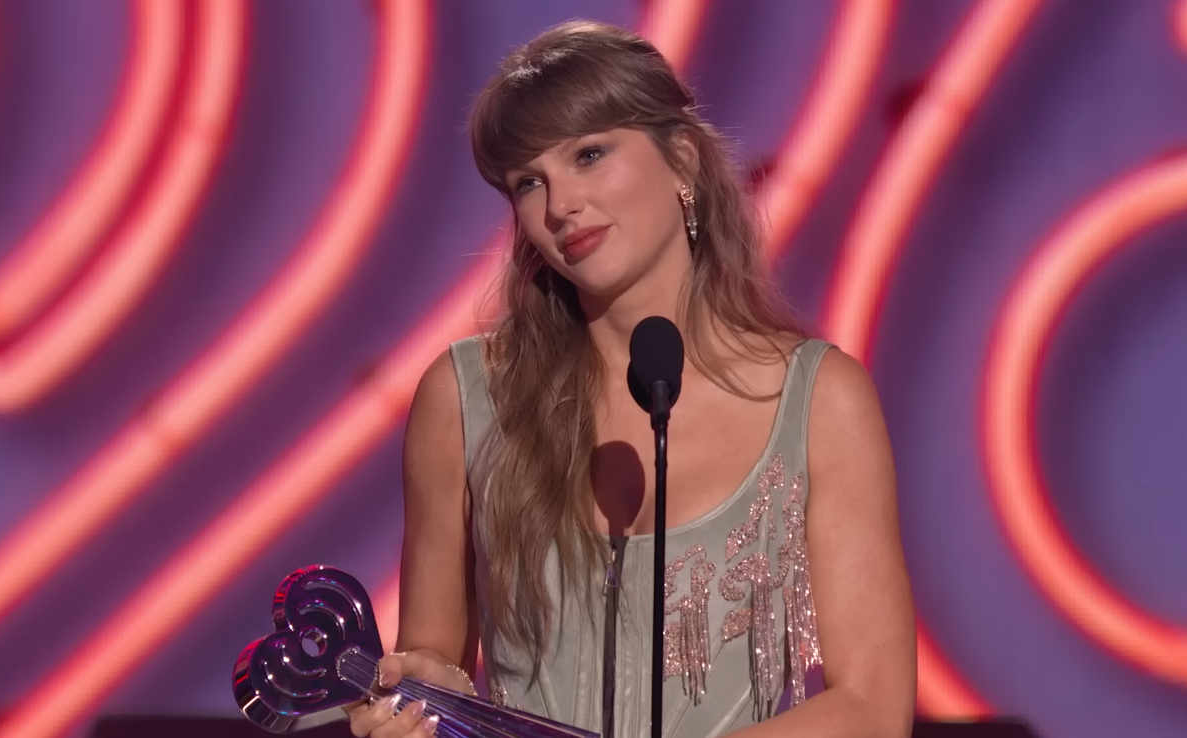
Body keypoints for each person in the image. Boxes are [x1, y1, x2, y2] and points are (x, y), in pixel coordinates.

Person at [344, 19, 915, 738]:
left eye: (589, 154)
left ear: (680, 159)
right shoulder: (466, 398)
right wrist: (420, 694)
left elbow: (872, 707)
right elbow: (434, 652)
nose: (560, 206)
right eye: (529, 182)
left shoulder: (820, 401)